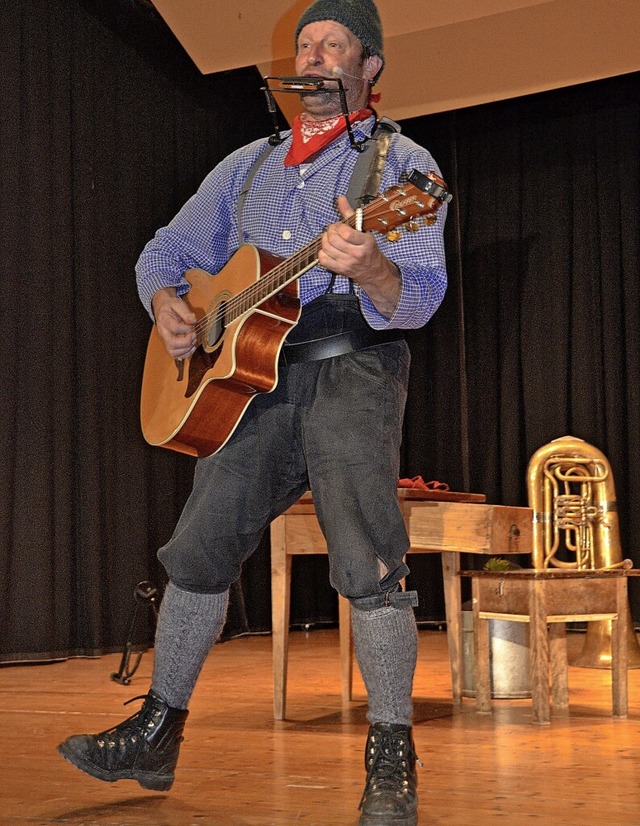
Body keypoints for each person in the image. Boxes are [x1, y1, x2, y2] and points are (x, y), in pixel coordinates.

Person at [57, 1, 448, 824]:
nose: (313, 54)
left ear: (369, 67)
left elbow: (419, 297)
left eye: (333, 44)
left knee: (369, 563)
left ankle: (391, 760)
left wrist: (373, 263)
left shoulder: (402, 164)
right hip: (253, 379)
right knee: (198, 550)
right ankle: (156, 733)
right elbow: (164, 249)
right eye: (305, 43)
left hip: (354, 366)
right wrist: (166, 302)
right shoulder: (247, 166)